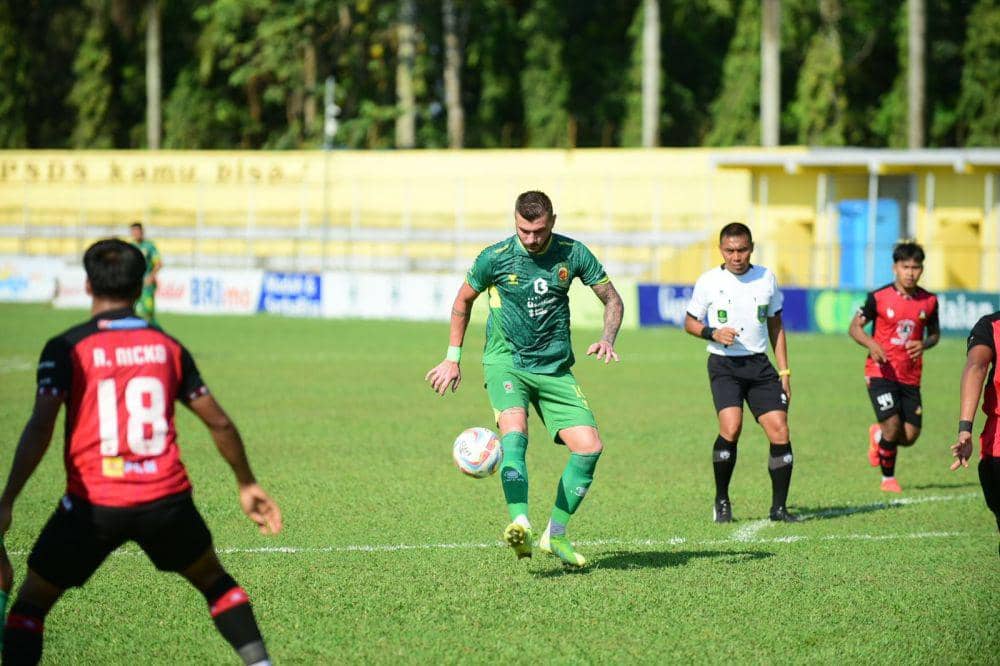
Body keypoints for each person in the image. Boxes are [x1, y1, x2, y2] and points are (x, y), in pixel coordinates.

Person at [0, 239, 282, 665]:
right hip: (164, 501)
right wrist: (247, 483)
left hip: (92, 505)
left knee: (32, 602)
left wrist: (8, 498)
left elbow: (41, 425)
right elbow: (220, 422)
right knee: (214, 582)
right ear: (140, 287)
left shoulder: (66, 346)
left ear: (88, 284)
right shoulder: (167, 346)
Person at [425, 191, 624, 568]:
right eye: (523, 231)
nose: (531, 239)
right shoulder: (495, 257)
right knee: (515, 432)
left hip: (555, 367)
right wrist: (453, 357)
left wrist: (607, 338)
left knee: (589, 447)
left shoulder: (573, 253)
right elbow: (463, 300)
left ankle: (555, 535)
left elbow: (612, 299)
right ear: (515, 222)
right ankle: (520, 523)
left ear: (553, 222)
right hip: (507, 362)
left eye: (539, 231)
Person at [683, 222, 798, 524]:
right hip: (724, 365)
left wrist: (784, 371)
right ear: (721, 250)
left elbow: (776, 326)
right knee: (731, 427)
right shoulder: (709, 281)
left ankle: (779, 509)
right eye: (730, 250)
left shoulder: (766, 278)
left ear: (752, 248)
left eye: (742, 250)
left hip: (759, 365)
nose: (736, 256)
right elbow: (689, 322)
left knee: (780, 429)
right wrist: (712, 332)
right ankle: (721, 501)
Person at [848, 241, 939, 493]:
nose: (910, 272)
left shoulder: (930, 301)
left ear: (921, 270)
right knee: (892, 425)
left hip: (910, 376)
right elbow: (854, 328)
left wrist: (924, 344)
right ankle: (888, 479)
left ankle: (878, 436)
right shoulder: (878, 297)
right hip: (880, 372)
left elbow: (935, 335)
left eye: (915, 267)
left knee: (909, 436)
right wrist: (871, 344)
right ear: (895, 268)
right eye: (905, 267)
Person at [950, 311, 1000, 556]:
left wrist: (965, 428)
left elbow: (976, 366)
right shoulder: (991, 326)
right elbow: (976, 367)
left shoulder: (992, 325)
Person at [129, 221, 162, 325]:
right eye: (133, 231)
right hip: (133, 283)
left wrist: (151, 276)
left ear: (142, 231)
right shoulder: (130, 247)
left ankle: (154, 330)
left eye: (137, 231)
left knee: (148, 311)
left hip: (146, 283)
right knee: (131, 311)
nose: (135, 233)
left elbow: (158, 263)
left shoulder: (149, 246)